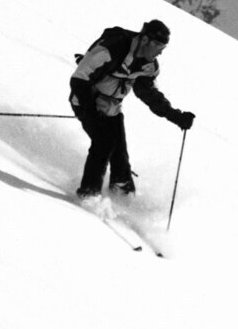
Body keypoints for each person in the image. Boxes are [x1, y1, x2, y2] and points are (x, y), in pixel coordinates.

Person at [70, 18, 194, 201]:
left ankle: (122, 197)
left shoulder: (148, 66)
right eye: (158, 45)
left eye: (163, 48)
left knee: (120, 157)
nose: (160, 52)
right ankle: (88, 194)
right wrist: (90, 112)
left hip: (112, 109)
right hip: (85, 102)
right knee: (104, 143)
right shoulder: (112, 49)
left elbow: (149, 94)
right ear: (145, 40)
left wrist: (175, 116)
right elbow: (79, 79)